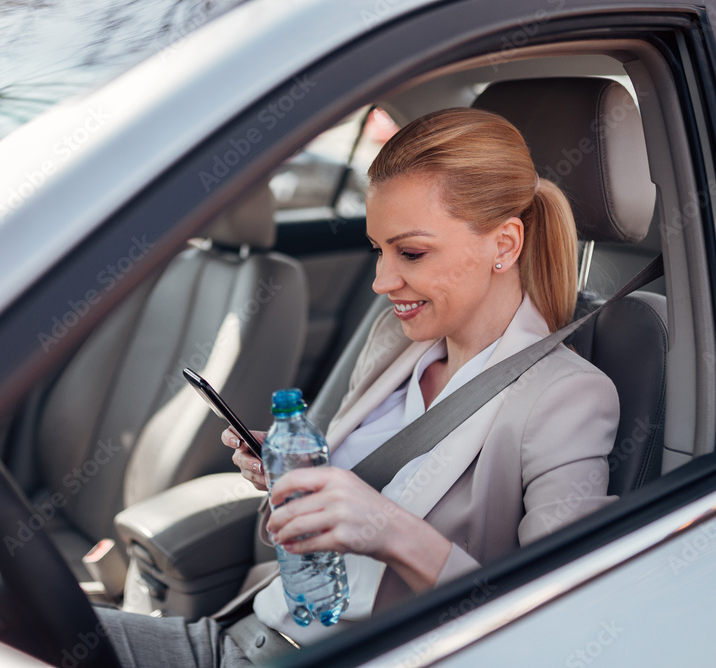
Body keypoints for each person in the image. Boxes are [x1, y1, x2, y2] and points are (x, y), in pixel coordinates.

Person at [96, 107, 620, 667]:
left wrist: (388, 529)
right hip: (242, 634)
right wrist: (295, 477)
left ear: (505, 245)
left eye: (411, 253)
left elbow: (560, 621)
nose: (381, 281)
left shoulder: (566, 397)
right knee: (20, 623)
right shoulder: (395, 345)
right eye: (379, 249)